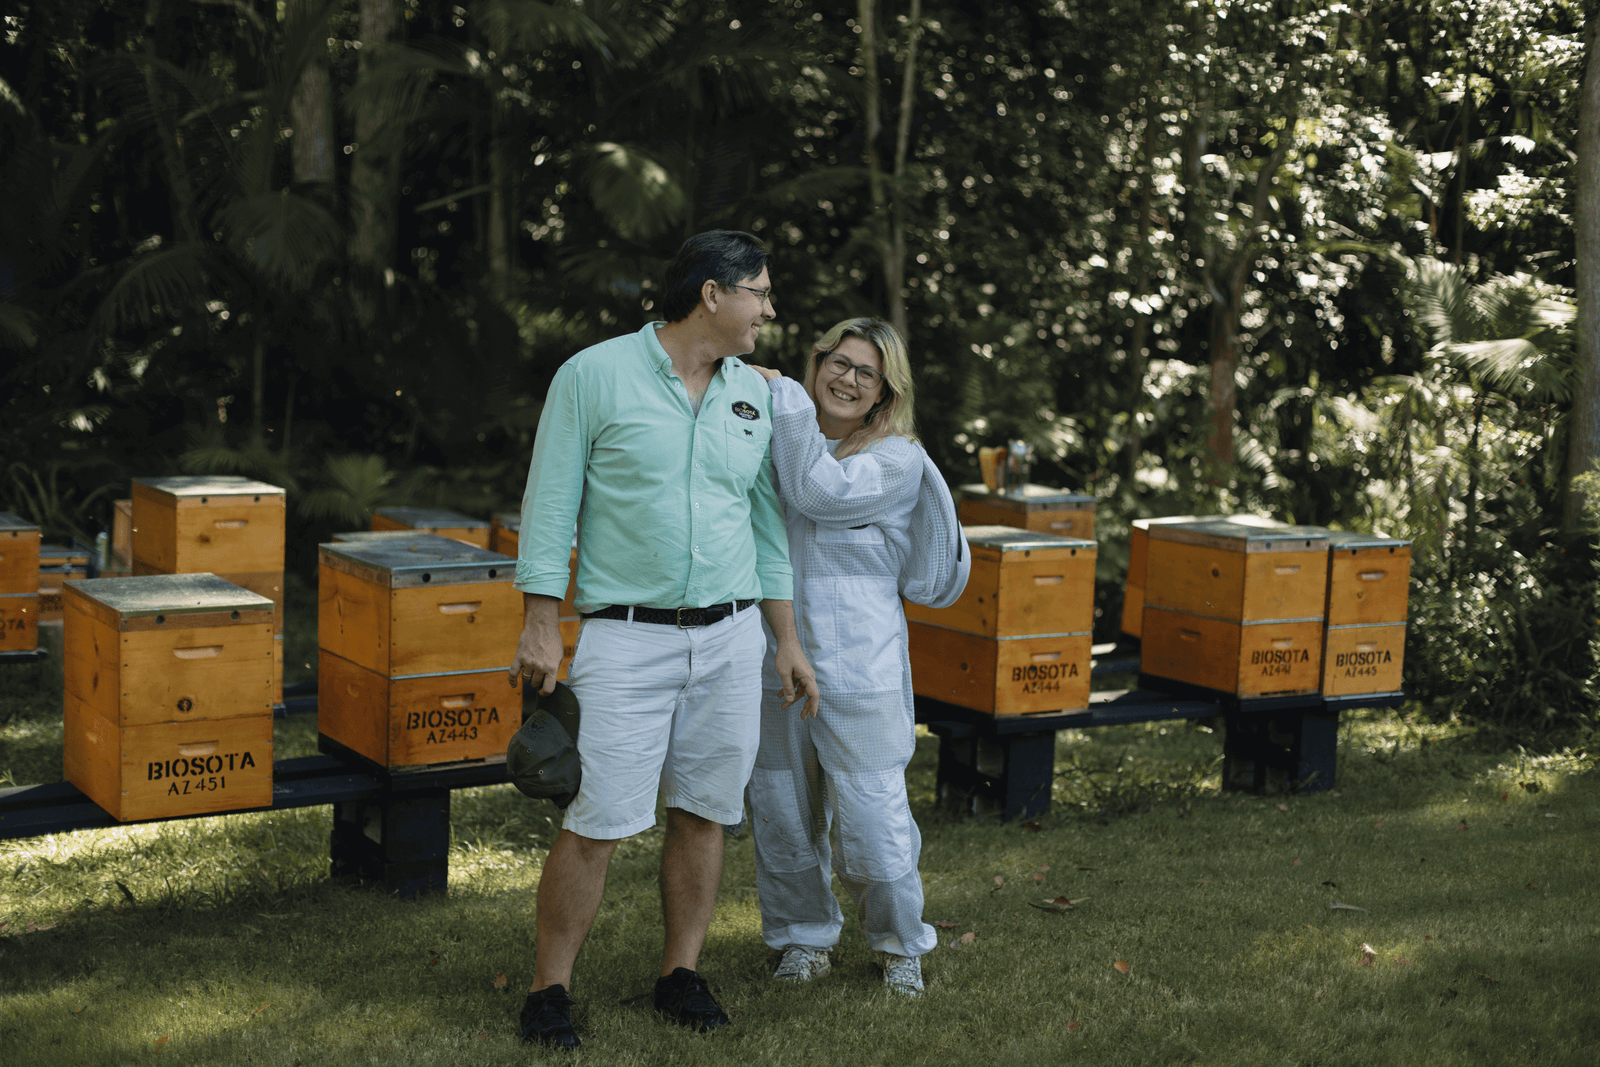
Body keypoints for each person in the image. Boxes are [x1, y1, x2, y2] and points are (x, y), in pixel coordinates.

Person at [507, 230, 818, 1050]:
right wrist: (542, 618)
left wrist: (784, 638)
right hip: (625, 639)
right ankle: (549, 990)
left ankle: (680, 973)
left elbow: (766, 528)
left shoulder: (753, 394)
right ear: (712, 294)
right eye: (759, 291)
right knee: (594, 818)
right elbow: (550, 502)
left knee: (706, 811)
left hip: (730, 638)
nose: (769, 309)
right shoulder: (593, 374)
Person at [745, 318, 967, 999]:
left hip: (859, 660)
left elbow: (819, 493)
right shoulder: (778, 440)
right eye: (836, 362)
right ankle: (803, 936)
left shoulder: (895, 459)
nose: (845, 378)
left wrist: (779, 392)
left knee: (872, 808)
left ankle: (902, 942)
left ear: (882, 393)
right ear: (818, 365)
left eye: (863, 372)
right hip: (770, 650)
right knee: (781, 804)